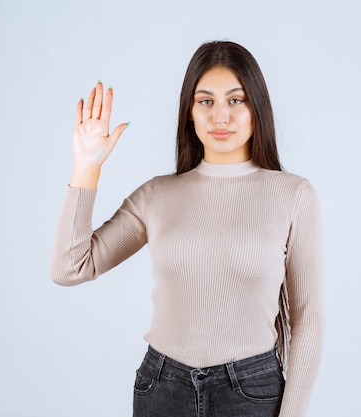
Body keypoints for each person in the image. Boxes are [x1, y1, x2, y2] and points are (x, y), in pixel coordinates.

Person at [51, 40, 324, 417]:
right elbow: (70, 267)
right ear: (189, 113)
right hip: (162, 388)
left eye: (236, 100)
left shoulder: (293, 195)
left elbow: (307, 316)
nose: (221, 116)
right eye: (205, 101)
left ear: (257, 108)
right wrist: (87, 167)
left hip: (252, 393)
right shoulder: (157, 195)